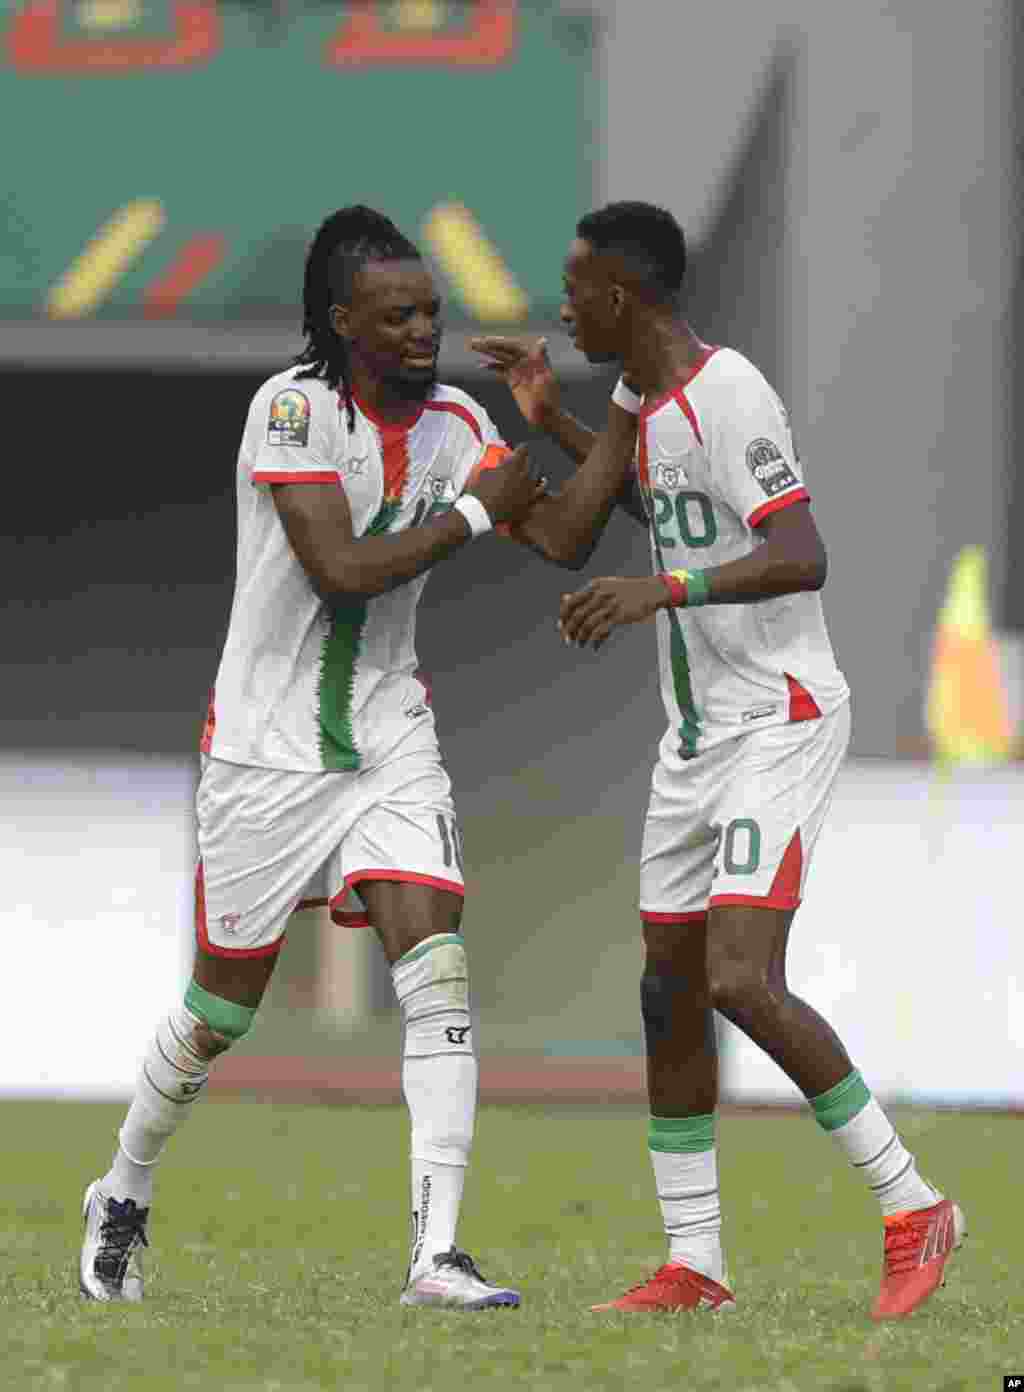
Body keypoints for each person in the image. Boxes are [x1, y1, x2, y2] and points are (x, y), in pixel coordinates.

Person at [472, 200, 963, 1321]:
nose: (560, 305)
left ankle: (912, 1204)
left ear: (622, 294)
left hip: (777, 720)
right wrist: (545, 425)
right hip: (694, 740)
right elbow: (574, 532)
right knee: (667, 990)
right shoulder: (640, 398)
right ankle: (697, 1263)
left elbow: (801, 553)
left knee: (739, 976)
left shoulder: (731, 390)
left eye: (573, 285)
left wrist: (666, 589)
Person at [78, 205, 559, 1311]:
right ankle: (124, 1188)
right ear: (345, 323)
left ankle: (437, 1254)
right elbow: (341, 570)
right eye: (398, 315)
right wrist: (480, 520)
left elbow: (565, 530)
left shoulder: (456, 421)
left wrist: (564, 420)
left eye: (432, 311)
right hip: (263, 755)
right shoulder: (289, 410)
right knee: (219, 1014)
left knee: (434, 960)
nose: (423, 330)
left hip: (390, 737)